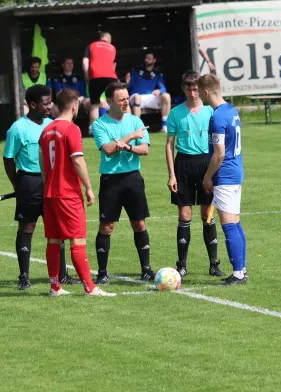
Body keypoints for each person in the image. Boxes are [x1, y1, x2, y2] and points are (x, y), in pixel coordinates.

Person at [38, 88, 115, 297]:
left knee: (54, 240)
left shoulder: (46, 131)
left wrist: (47, 185)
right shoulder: (71, 129)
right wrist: (88, 187)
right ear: (74, 106)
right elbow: (77, 159)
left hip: (50, 194)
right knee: (77, 240)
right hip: (67, 193)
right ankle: (90, 288)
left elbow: (43, 165)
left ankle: (55, 287)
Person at [3, 85, 80, 290]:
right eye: (45, 103)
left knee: (57, 229)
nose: (49, 106)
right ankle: (24, 277)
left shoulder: (52, 124)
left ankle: (63, 275)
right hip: (29, 182)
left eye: (50, 102)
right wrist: (17, 183)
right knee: (27, 227)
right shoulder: (18, 128)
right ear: (33, 104)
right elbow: (8, 159)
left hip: (53, 182)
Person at [91, 82, 155, 284]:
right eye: (121, 99)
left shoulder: (136, 120)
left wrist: (126, 146)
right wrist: (130, 138)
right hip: (111, 180)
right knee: (107, 226)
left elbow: (144, 149)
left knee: (139, 223)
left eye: (127, 98)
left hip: (132, 178)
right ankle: (102, 273)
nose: (126, 102)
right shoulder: (100, 124)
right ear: (109, 102)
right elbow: (108, 149)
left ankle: (146, 269)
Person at [165, 70, 223, 278]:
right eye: (189, 88)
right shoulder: (175, 113)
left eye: (196, 88)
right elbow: (169, 145)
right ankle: (182, 264)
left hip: (206, 164)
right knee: (184, 215)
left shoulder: (210, 112)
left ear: (201, 89)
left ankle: (214, 263)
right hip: (183, 165)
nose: (193, 92)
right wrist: (172, 174)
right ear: (183, 89)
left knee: (208, 215)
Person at [196, 74, 247, 286]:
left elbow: (219, 154)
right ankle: (242, 270)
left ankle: (237, 274)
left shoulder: (217, 117)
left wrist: (207, 177)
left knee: (228, 225)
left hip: (225, 174)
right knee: (235, 222)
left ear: (206, 92)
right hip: (236, 172)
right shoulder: (231, 110)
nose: (198, 95)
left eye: (199, 92)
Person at [126, 52, 171, 132]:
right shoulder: (136, 71)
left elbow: (163, 88)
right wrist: (127, 83)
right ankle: (136, 127)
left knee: (166, 96)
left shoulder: (158, 73)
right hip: (137, 96)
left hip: (150, 97)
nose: (146, 60)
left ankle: (164, 126)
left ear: (154, 60)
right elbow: (129, 86)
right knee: (137, 97)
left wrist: (159, 90)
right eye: (146, 58)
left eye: (149, 58)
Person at [82, 32, 118, 134]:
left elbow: (85, 62)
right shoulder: (112, 48)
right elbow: (113, 65)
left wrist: (87, 76)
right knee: (117, 102)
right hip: (111, 76)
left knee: (94, 105)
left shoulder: (91, 46)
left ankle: (92, 130)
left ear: (100, 38)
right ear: (109, 40)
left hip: (95, 76)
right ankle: (122, 127)